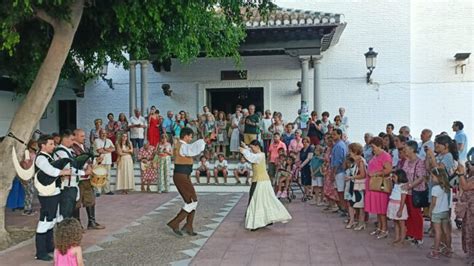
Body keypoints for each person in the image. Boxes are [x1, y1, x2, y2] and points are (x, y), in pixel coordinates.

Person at [167, 128, 214, 236]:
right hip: (181, 176)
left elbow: (193, 148)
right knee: (193, 201)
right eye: (190, 136)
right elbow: (193, 149)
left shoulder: (181, 145)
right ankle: (175, 222)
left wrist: (206, 139)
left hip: (183, 175)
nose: (191, 138)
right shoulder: (182, 146)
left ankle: (188, 226)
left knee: (192, 201)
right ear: (186, 136)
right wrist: (206, 139)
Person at [240, 140, 292, 231]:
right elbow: (251, 153)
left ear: (257, 146)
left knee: (257, 201)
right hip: (258, 181)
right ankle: (264, 221)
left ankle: (258, 222)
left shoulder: (261, 155)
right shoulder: (257, 154)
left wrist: (244, 151)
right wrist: (246, 147)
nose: (251, 149)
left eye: (252, 148)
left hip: (261, 182)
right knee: (259, 201)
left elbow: (251, 157)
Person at [34, 135, 71, 261]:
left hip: (54, 191)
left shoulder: (48, 156)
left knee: (52, 220)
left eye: (53, 144)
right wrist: (64, 172)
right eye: (50, 144)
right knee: (45, 221)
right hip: (47, 194)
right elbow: (50, 170)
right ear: (42, 145)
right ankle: (40, 252)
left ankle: (49, 247)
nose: (53, 146)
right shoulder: (41, 159)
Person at [71, 129, 105, 230]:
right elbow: (75, 162)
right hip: (79, 178)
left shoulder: (84, 147)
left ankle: (91, 222)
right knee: (77, 201)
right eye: (82, 136)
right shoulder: (72, 148)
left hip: (87, 178)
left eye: (84, 136)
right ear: (75, 136)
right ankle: (77, 224)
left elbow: (89, 159)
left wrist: (96, 161)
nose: (84, 138)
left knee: (90, 199)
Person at [54, 130, 89, 219]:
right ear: (65, 139)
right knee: (65, 213)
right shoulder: (60, 152)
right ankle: (63, 231)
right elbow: (69, 169)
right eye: (71, 139)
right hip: (66, 187)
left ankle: (67, 230)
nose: (73, 142)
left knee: (69, 212)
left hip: (72, 185)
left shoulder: (68, 151)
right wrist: (84, 172)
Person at [365, 137, 392, 239]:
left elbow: (388, 170)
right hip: (373, 185)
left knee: (381, 209)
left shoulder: (385, 156)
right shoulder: (376, 155)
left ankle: (384, 229)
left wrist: (376, 174)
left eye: (373, 146)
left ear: (379, 146)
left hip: (379, 185)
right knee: (377, 208)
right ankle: (379, 228)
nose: (372, 149)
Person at [401, 140, 427, 246]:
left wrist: (410, 185)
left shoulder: (419, 162)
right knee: (408, 214)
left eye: (406, 148)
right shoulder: (406, 161)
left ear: (412, 149)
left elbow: (421, 178)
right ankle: (410, 233)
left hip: (415, 191)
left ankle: (418, 236)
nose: (404, 150)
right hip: (406, 191)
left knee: (416, 214)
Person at [427, 167, 452, 259]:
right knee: (446, 232)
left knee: (437, 232)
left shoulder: (435, 188)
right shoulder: (447, 187)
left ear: (438, 177)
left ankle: (436, 251)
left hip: (436, 212)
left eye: (433, 177)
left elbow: (433, 202)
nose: (431, 179)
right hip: (445, 211)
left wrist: (430, 211)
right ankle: (448, 249)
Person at [457, 162, 474, 264]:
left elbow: (466, 186)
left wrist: (461, 174)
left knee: (471, 233)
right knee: (469, 232)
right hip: (470, 210)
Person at [386, 169, 409, 247]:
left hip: (399, 205)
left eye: (394, 177)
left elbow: (403, 199)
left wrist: (400, 210)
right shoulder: (396, 185)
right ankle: (397, 238)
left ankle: (402, 240)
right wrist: (390, 180)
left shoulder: (403, 186)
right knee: (395, 222)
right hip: (393, 204)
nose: (393, 178)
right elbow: (390, 189)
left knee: (401, 224)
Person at [331, 129, 348, 213]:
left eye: (334, 134)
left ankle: (344, 208)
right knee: (339, 190)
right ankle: (343, 207)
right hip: (338, 171)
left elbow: (337, 161)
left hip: (339, 171)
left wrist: (333, 173)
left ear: (339, 135)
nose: (333, 136)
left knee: (341, 191)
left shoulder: (339, 146)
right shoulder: (338, 145)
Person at [93, 129, 115, 195]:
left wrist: (105, 149)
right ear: (99, 134)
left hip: (108, 161)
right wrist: (109, 150)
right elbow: (99, 151)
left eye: (105, 133)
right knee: (98, 175)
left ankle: (107, 190)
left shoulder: (109, 140)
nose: (104, 134)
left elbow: (114, 149)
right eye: (102, 133)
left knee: (107, 176)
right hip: (100, 161)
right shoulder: (96, 141)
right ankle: (98, 191)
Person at [20, 139, 38, 216]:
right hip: (27, 175)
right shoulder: (27, 153)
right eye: (34, 145)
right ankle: (27, 210)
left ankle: (27, 208)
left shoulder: (34, 153)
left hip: (32, 174)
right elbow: (23, 164)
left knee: (30, 192)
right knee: (29, 192)